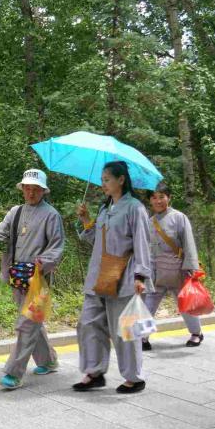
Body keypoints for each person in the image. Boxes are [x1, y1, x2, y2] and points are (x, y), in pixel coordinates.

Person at [0, 169, 65, 390]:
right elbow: (2, 229)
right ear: (23, 189)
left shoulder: (51, 215)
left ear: (43, 191)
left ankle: (13, 372)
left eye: (35, 189)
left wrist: (43, 262)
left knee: (26, 325)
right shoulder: (16, 211)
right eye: (27, 188)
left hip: (39, 279)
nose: (31, 193)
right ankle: (48, 361)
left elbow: (57, 247)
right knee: (32, 321)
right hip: (17, 276)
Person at [74, 161, 153, 394]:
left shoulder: (135, 208)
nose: (103, 184)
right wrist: (87, 220)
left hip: (124, 276)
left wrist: (141, 275)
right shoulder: (104, 208)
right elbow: (96, 242)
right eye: (101, 180)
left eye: (107, 179)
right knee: (88, 324)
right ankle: (94, 372)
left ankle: (134, 377)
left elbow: (142, 243)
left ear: (121, 180)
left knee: (125, 329)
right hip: (98, 276)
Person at [142, 182, 203, 349]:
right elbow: (145, 249)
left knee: (185, 304)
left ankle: (196, 333)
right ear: (150, 201)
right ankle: (143, 338)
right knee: (148, 305)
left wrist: (192, 268)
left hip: (179, 270)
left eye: (161, 197)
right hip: (155, 272)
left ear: (169, 198)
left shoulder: (179, 217)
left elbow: (189, 243)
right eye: (154, 197)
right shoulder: (149, 221)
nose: (158, 201)